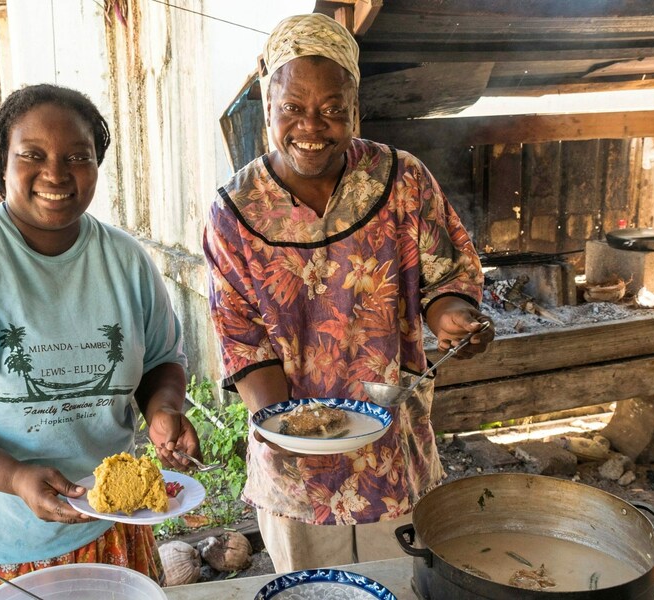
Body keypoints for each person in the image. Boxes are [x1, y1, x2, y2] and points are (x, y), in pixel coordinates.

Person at [0, 83, 199, 598]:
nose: (56, 173)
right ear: (2, 161)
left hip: (97, 528)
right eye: (33, 155)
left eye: (77, 156)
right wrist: (13, 476)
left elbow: (160, 361)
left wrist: (163, 407)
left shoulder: (126, 261)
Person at [203, 13, 495, 572]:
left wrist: (456, 317)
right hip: (295, 477)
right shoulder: (233, 212)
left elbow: (447, 276)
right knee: (312, 589)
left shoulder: (402, 179)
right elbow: (242, 339)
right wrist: (289, 430)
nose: (312, 126)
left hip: (396, 454)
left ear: (356, 109)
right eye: (293, 107)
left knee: (402, 583)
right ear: (268, 104)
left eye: (334, 109)